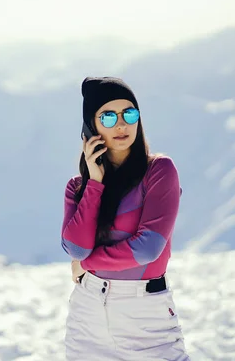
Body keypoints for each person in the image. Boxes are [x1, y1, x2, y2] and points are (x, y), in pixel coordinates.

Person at [61, 76, 191, 360]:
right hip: (88, 317)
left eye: (129, 113)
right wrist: (95, 183)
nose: (121, 124)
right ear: (91, 127)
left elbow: (147, 248)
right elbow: (76, 247)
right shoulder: (77, 188)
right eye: (108, 116)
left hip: (145, 318)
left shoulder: (159, 171)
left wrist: (86, 263)